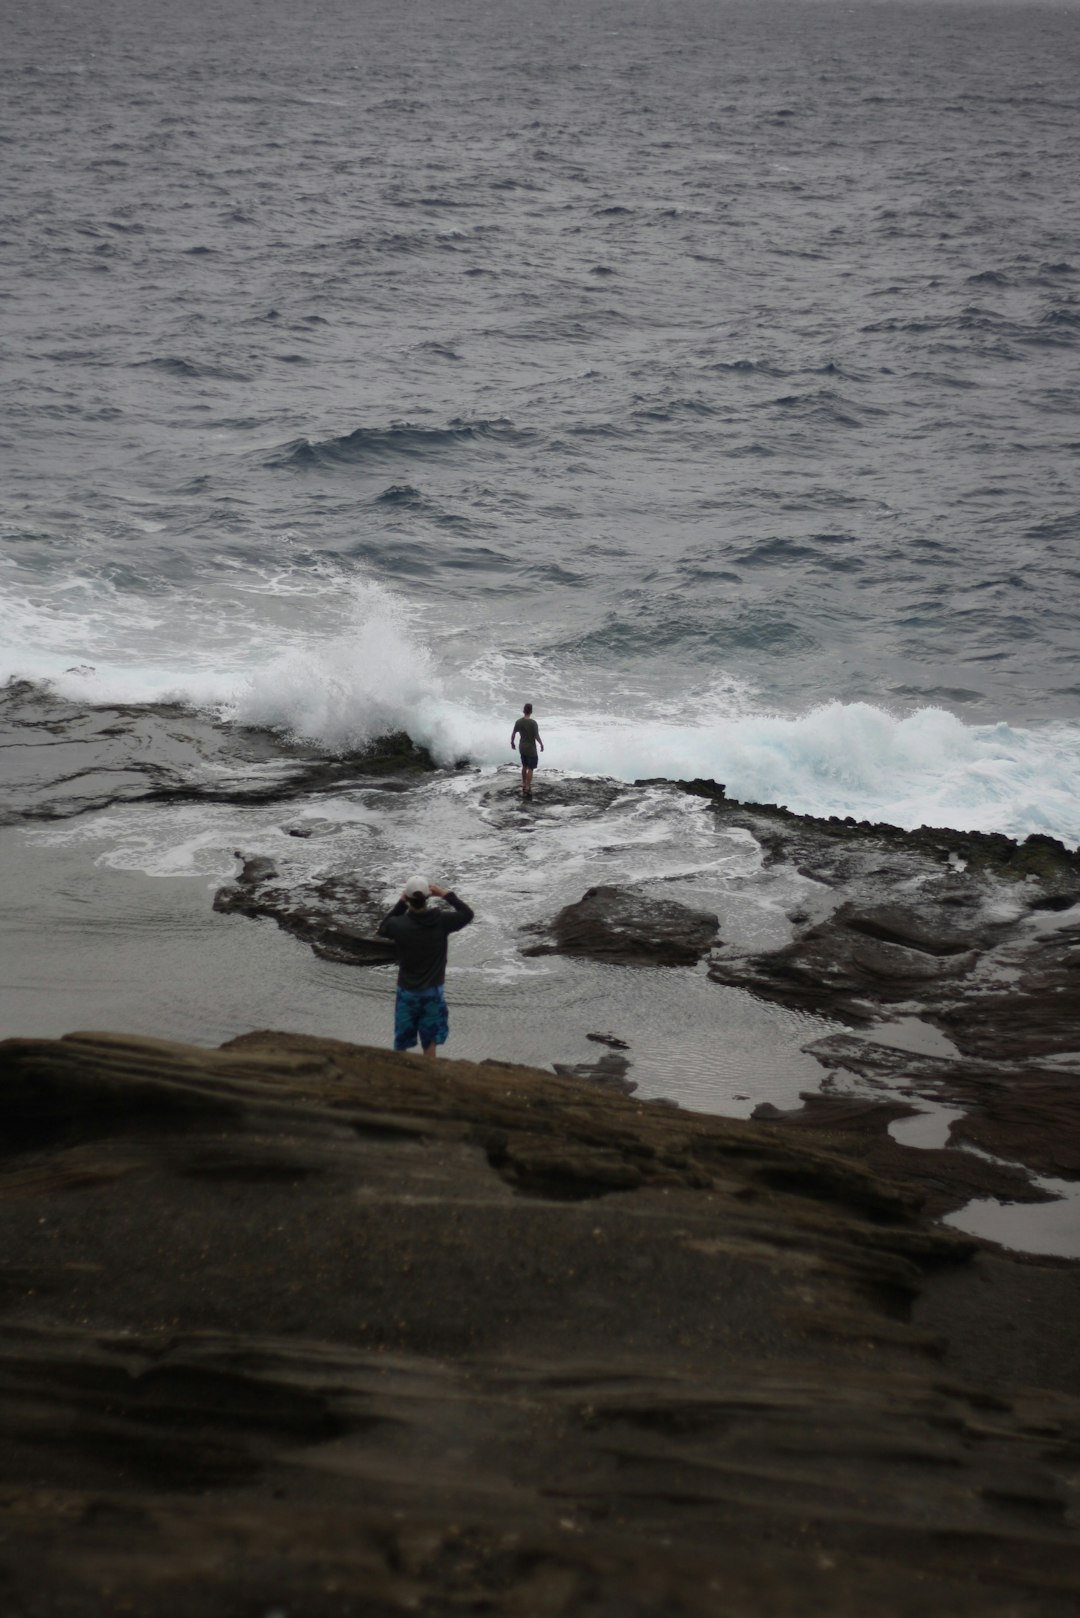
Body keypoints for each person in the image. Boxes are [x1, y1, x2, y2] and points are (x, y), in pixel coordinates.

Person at [377, 876, 474, 1058]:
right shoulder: (441, 921)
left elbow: (383, 928)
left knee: (402, 1040)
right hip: (433, 992)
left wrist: (400, 903)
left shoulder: (398, 924)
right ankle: (430, 1076)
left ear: (408, 896)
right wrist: (446, 894)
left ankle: (400, 1075)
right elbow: (467, 914)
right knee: (429, 1040)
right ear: (428, 897)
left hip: (407, 991)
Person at [510, 701, 544, 798]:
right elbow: (536, 736)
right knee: (531, 768)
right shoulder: (533, 723)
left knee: (524, 766)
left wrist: (512, 743)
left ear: (524, 710)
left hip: (522, 747)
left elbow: (513, 734)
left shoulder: (518, 722)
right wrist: (541, 744)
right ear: (531, 711)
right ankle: (528, 787)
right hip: (531, 748)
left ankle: (524, 784)